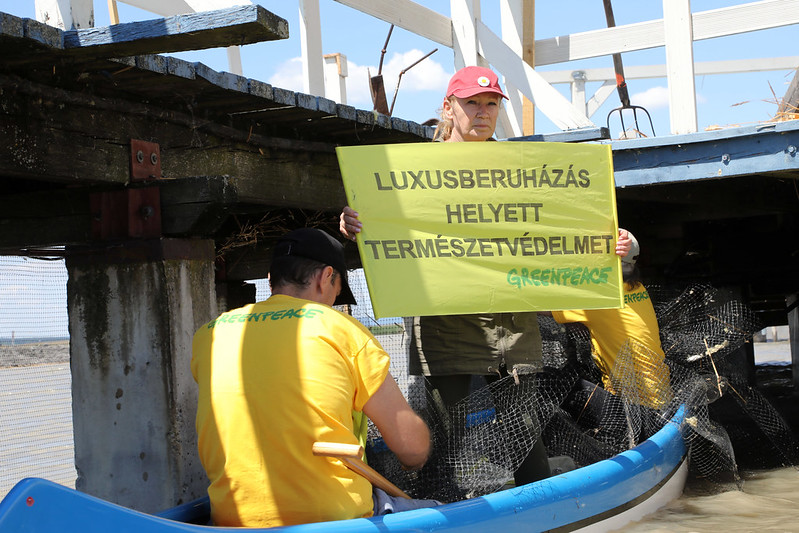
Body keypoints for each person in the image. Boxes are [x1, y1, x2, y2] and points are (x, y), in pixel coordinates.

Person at [339, 65, 633, 487]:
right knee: (459, 442)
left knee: (524, 436)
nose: (483, 112)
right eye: (472, 103)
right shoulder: (410, 171)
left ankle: (541, 511)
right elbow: (383, 234)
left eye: (491, 103)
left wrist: (613, 244)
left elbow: (564, 226)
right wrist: (352, 227)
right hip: (446, 333)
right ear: (448, 106)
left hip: (510, 330)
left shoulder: (523, 168)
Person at [191, 228, 437, 528]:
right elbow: (411, 446)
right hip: (334, 519)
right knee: (442, 512)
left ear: (271, 279)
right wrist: (418, 456)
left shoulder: (210, 334)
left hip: (232, 519)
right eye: (337, 292)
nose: (333, 302)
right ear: (326, 277)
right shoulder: (340, 329)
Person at [550, 232, 673, 440]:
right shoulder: (637, 287)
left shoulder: (601, 297)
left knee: (558, 384)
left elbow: (538, 306)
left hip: (636, 407)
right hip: (660, 399)